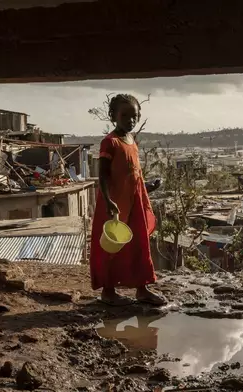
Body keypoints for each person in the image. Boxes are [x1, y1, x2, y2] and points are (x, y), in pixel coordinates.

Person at [89, 94, 166, 307]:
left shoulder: (132, 141)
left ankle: (143, 289)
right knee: (112, 248)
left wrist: (148, 187)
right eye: (125, 115)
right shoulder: (110, 142)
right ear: (113, 116)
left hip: (134, 203)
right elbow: (103, 175)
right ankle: (108, 290)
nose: (130, 120)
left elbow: (133, 175)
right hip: (115, 204)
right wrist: (108, 201)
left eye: (135, 116)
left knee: (140, 244)